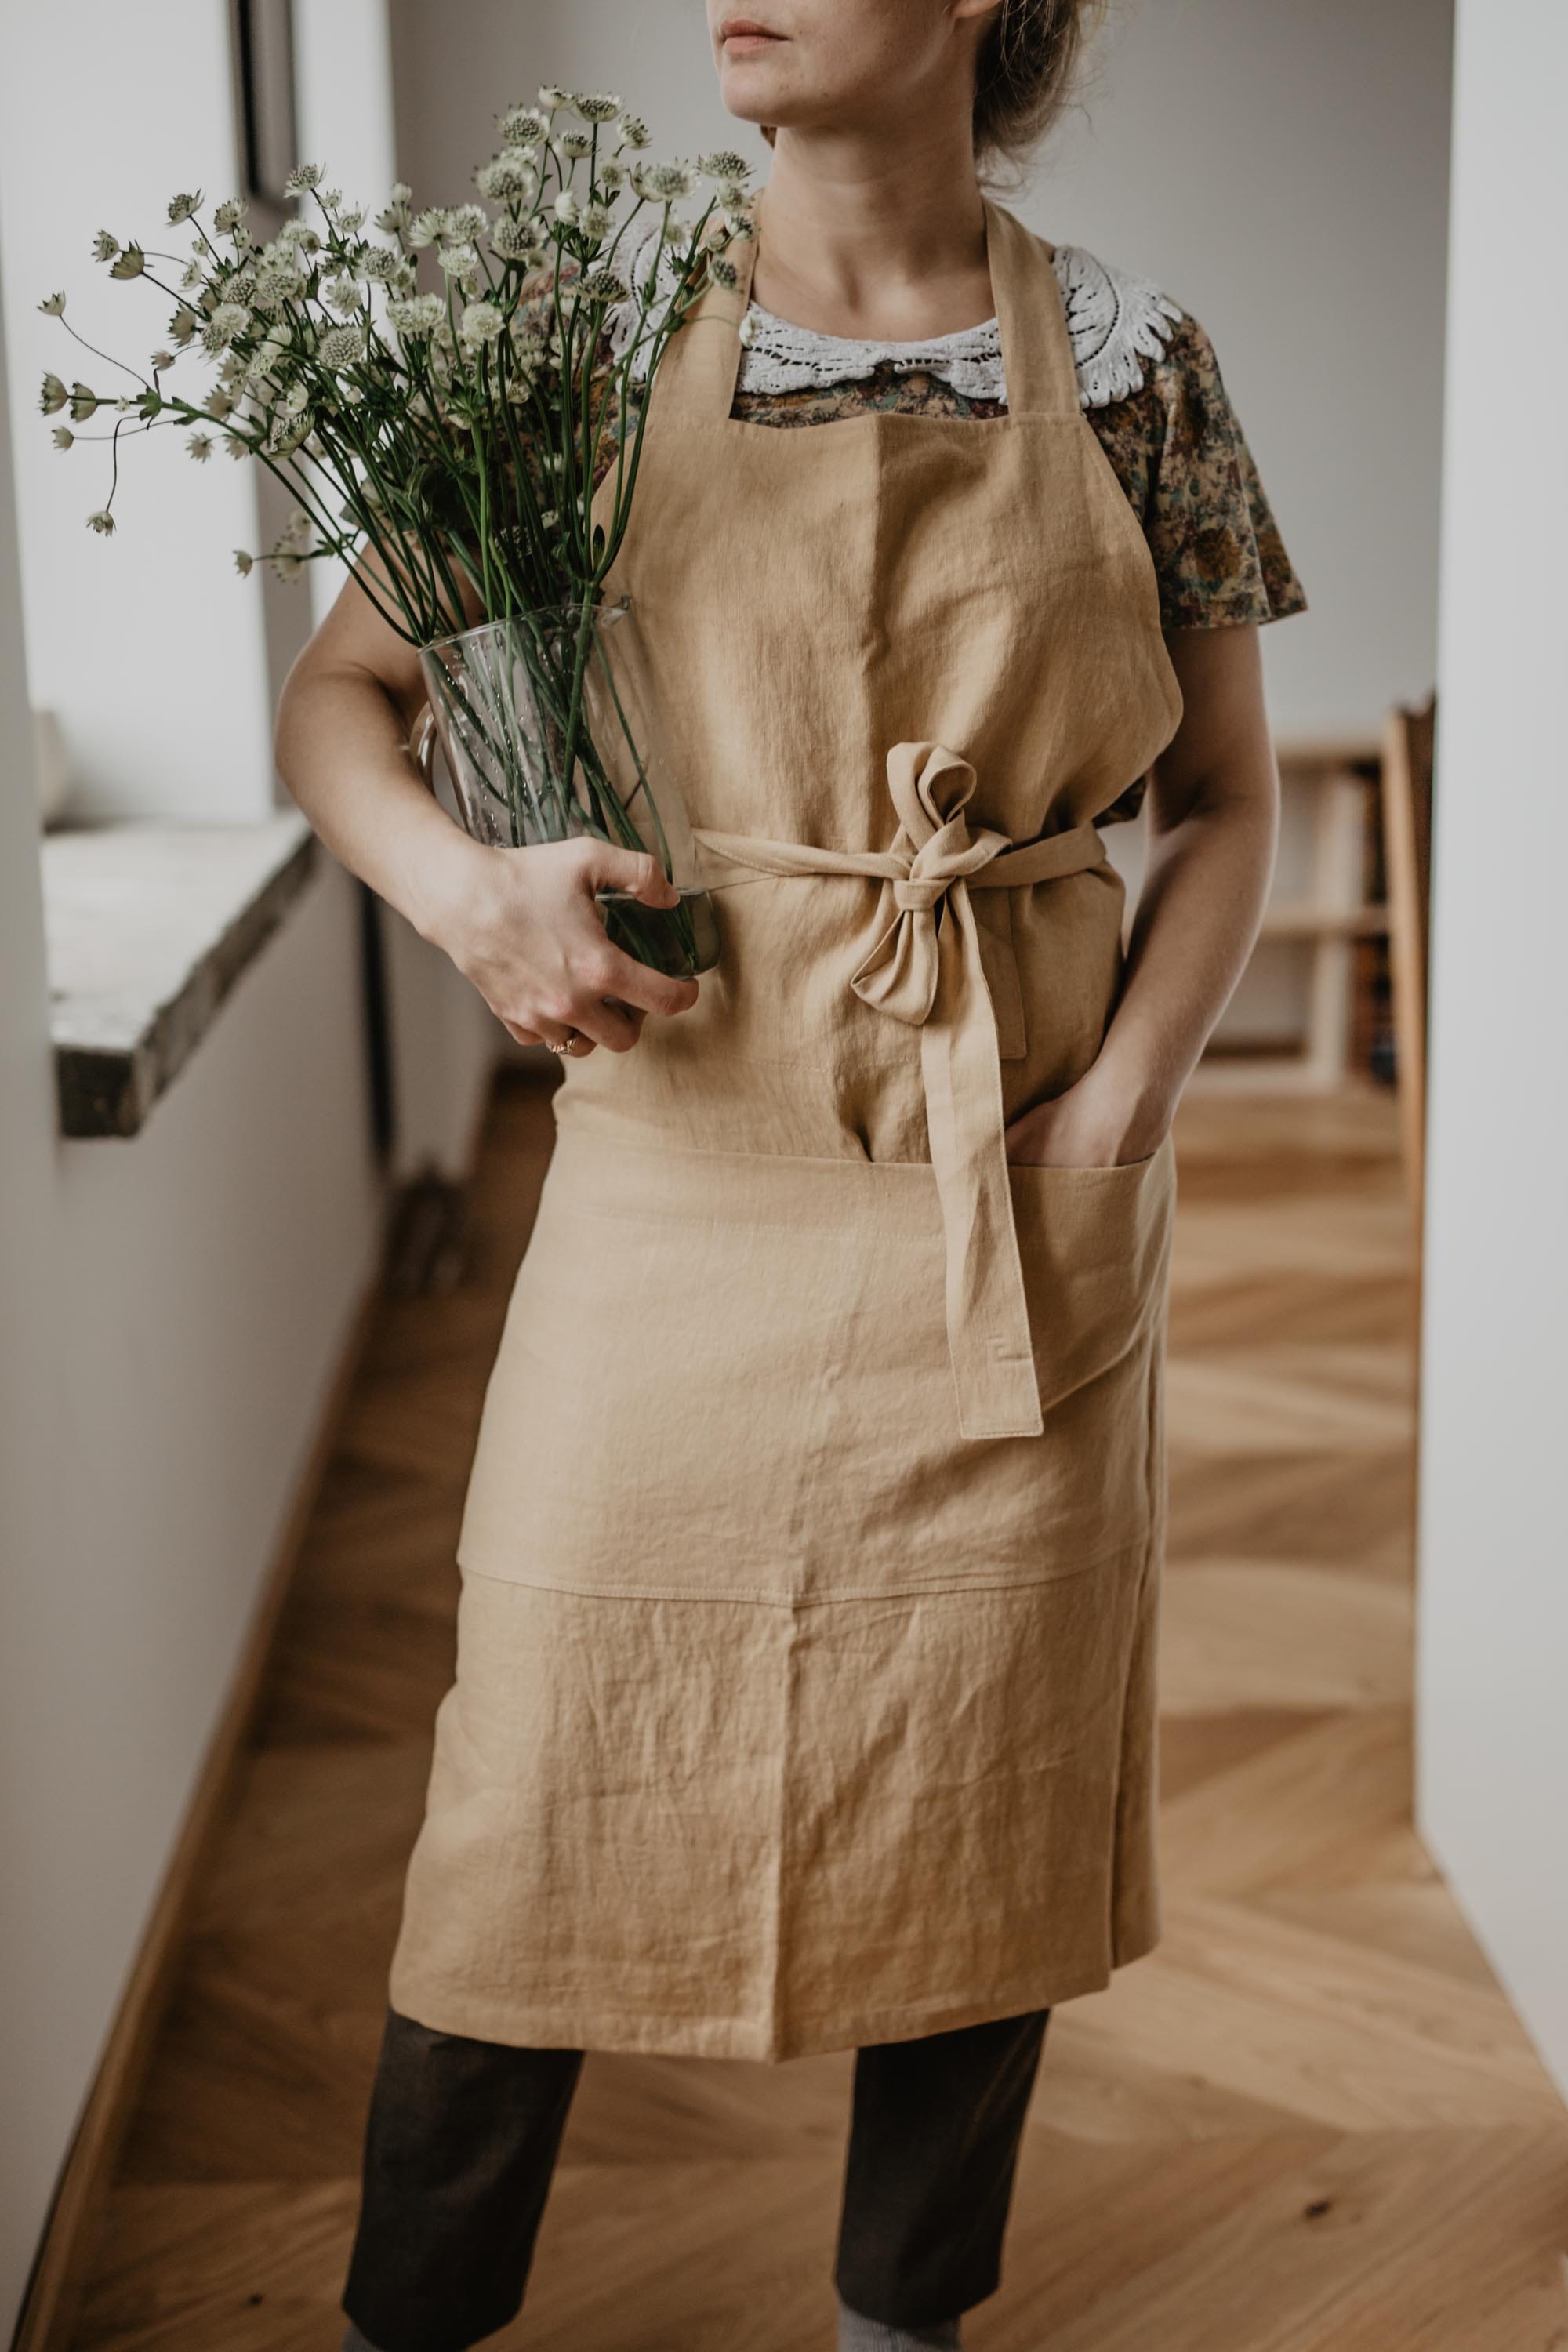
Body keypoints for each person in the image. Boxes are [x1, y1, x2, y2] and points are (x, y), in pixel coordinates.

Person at [274, 2, 1304, 2346]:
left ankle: (899, 2323)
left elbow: (1226, 796)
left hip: (1005, 1189)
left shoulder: (1134, 362)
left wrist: (1127, 1097)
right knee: (525, 1790)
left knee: (987, 1771)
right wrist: (470, 894)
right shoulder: (583, 331)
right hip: (678, 1175)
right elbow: (341, 705)